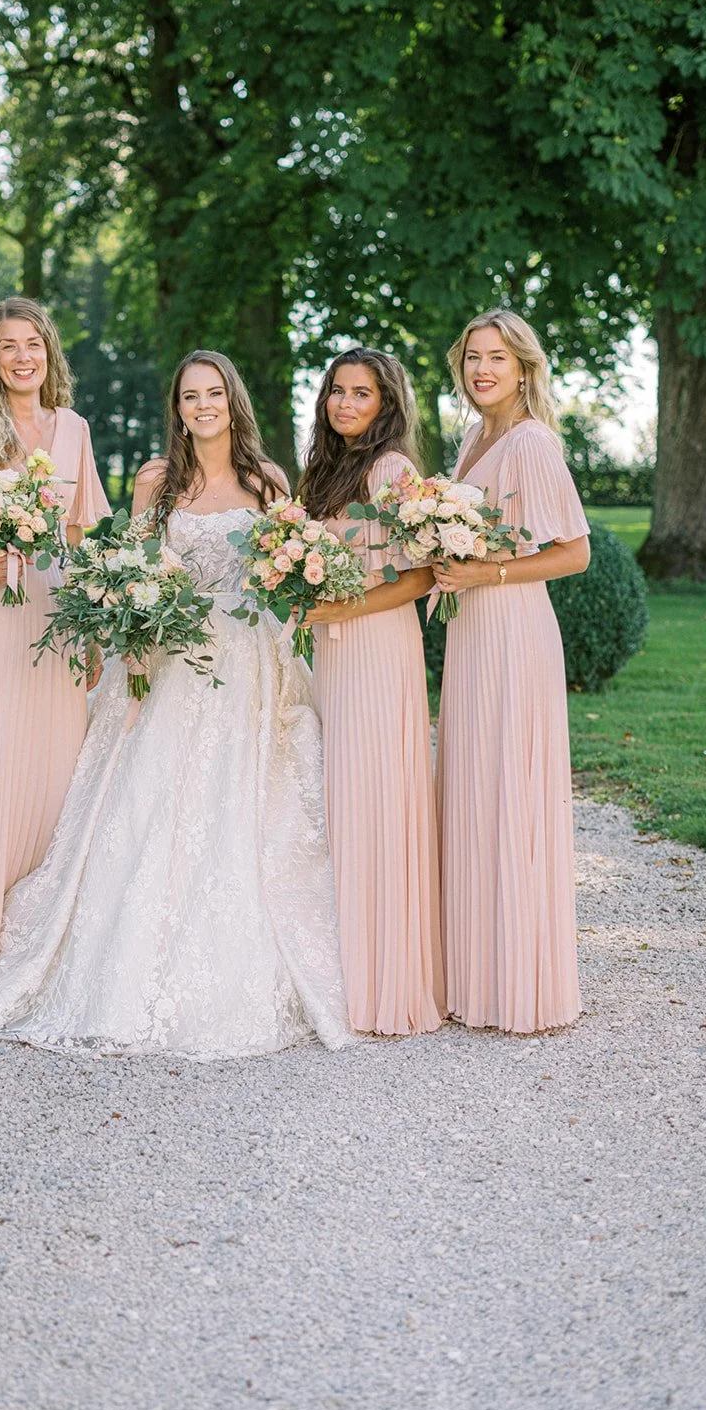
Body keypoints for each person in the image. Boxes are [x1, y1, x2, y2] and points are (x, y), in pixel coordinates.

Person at [0, 349, 352, 1058]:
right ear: (178, 409)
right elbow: (132, 565)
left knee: (241, 806)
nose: (202, 406)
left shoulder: (267, 480)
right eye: (189, 396)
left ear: (232, 399)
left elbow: (289, 561)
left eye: (214, 392)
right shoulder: (157, 481)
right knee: (149, 800)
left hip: (247, 663)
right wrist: (130, 631)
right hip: (171, 654)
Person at [0, 297, 110, 993]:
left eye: (32, 342)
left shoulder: (73, 429)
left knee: (57, 768)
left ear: (49, 351)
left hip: (58, 612)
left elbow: (88, 532)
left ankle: (41, 942)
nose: (22, 356)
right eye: (8, 346)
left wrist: (94, 623)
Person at [434, 308, 590, 1032]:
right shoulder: (473, 437)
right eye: (472, 358)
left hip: (512, 632)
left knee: (510, 790)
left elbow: (574, 553)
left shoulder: (529, 443)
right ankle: (478, 973)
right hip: (471, 633)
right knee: (473, 788)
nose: (482, 370)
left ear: (524, 367)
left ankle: (524, 983)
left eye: (497, 358)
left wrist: (487, 573)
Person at [300, 347, 443, 1035]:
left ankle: (390, 980)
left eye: (361, 393)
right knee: (340, 799)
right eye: (337, 391)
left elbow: (421, 575)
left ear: (386, 404)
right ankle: (347, 969)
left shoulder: (392, 470)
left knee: (377, 799)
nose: (346, 403)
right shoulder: (326, 470)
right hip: (334, 652)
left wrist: (344, 607)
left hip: (379, 651)